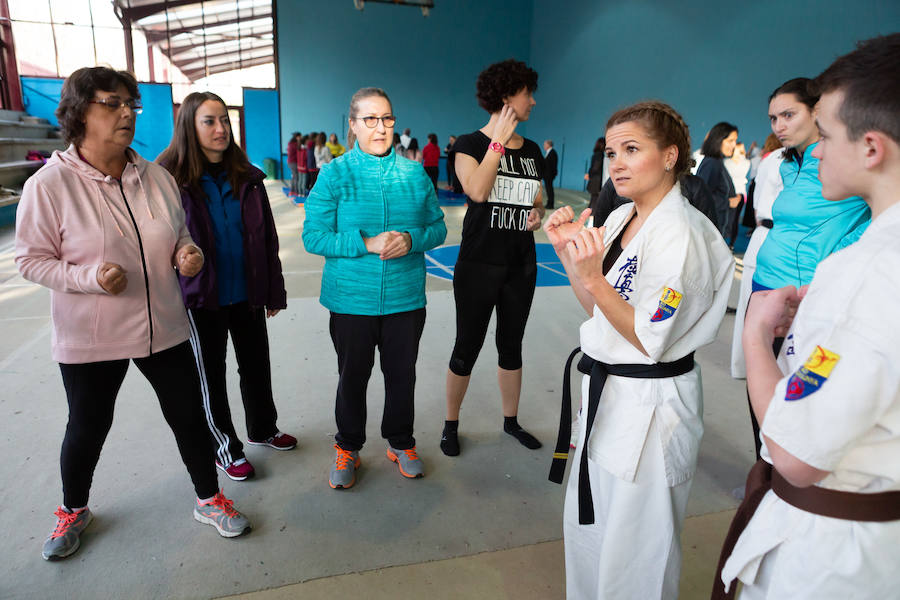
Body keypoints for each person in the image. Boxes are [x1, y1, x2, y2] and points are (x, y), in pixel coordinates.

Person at [15, 67, 252, 561]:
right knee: (88, 424)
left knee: (189, 416)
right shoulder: (50, 185)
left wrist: (187, 253)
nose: (127, 113)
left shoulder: (157, 178)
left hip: (164, 325)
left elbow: (179, 235)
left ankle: (209, 498)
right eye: (112, 103)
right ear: (79, 112)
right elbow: (31, 260)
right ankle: (73, 509)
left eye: (131, 104)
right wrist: (90, 278)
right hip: (92, 334)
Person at [715, 33, 900, 600]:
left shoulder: (868, 274)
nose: (816, 152)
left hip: (831, 559)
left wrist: (755, 336)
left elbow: (796, 456)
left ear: (871, 148)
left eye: (827, 135)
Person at [543, 100, 733, 600]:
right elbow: (598, 311)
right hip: (609, 395)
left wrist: (593, 278)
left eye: (632, 149)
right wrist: (570, 256)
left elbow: (650, 337)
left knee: (637, 553)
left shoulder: (682, 236)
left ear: (670, 156)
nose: (617, 164)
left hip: (652, 408)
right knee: (592, 534)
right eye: (612, 153)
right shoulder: (623, 216)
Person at [302, 87, 446, 489]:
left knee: (402, 376)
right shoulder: (334, 174)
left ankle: (401, 442)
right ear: (353, 125)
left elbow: (438, 228)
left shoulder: (414, 174)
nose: (380, 128)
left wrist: (411, 239)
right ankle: (348, 446)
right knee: (352, 377)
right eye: (370, 119)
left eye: (387, 118)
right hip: (351, 301)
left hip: (405, 299)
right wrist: (364, 243)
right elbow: (313, 236)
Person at [157, 91, 295, 482]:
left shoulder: (247, 176)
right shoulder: (168, 179)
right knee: (209, 377)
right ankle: (223, 446)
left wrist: (272, 289)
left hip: (246, 293)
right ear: (189, 126)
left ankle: (262, 428)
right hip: (200, 298)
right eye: (209, 121)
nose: (221, 129)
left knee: (256, 366)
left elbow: (266, 237)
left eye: (224, 120)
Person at [744, 77, 870, 458]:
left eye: (788, 114)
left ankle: (781, 473)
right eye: (773, 118)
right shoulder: (789, 164)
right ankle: (763, 471)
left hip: (799, 298)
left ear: (817, 111)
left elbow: (873, 215)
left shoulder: (841, 163)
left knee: (793, 397)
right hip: (763, 287)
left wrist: (833, 263)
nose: (779, 125)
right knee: (758, 386)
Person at [441, 59, 545, 457]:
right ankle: (451, 424)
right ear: (506, 97)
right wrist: (497, 143)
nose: (533, 101)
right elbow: (478, 191)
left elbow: (536, 198)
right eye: (527, 94)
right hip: (478, 264)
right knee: (466, 346)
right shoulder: (468, 145)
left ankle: (511, 421)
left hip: (521, 264)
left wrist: (537, 214)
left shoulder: (532, 150)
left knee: (511, 345)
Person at [730, 135, 784, 380]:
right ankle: (745, 367)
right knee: (753, 306)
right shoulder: (774, 159)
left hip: (770, 234)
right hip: (769, 233)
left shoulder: (771, 159)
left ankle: (746, 367)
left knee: (755, 308)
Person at [697, 122, 742, 236]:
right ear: (718, 140)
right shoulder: (712, 163)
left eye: (735, 141)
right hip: (710, 232)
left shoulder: (717, 162)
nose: (734, 145)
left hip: (716, 230)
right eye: (730, 141)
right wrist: (728, 203)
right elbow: (702, 197)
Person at [584, 136, 607, 208]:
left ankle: (591, 214)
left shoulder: (598, 154)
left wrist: (589, 174)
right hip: (596, 181)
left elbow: (595, 167)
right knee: (594, 201)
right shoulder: (599, 155)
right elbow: (595, 167)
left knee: (594, 200)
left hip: (595, 181)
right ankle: (591, 214)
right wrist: (589, 175)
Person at [543, 139, 558, 209]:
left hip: (549, 175)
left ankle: (550, 204)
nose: (544, 146)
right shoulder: (548, 152)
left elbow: (553, 165)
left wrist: (552, 175)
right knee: (548, 189)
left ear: (548, 145)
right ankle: (549, 203)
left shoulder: (552, 153)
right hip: (547, 175)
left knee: (549, 189)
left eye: (545, 144)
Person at [287, 131, 300, 195]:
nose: (300, 138)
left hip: (290, 162)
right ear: (297, 137)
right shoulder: (295, 144)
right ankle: (295, 191)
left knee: (293, 177)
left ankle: (292, 190)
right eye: (300, 137)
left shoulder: (290, 143)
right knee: (296, 177)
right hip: (293, 163)